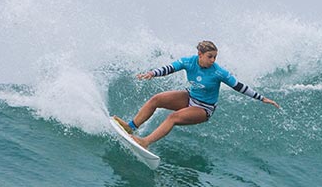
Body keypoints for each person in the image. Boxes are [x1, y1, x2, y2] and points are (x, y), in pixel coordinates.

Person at [115, 40, 280, 149]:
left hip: (204, 108)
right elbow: (169, 68)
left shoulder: (219, 72)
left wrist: (262, 98)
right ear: (200, 55)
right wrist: (152, 73)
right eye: (210, 57)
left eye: (215, 57)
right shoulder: (189, 61)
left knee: (173, 117)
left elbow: (239, 86)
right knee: (156, 99)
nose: (213, 60)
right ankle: (131, 127)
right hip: (190, 97)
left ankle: (145, 142)